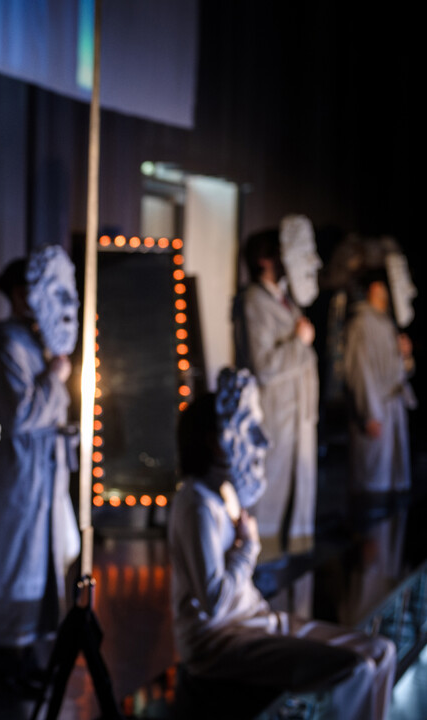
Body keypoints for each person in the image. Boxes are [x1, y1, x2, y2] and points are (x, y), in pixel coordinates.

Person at [168, 368, 395, 720]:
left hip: (256, 619)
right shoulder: (196, 504)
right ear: (216, 440)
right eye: (250, 430)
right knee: (354, 669)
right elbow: (214, 602)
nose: (264, 441)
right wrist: (247, 547)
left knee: (381, 651)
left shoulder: (223, 493)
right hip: (218, 641)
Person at [0, 245, 81, 696]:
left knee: (43, 559)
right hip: (23, 466)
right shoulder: (6, 344)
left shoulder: (36, 341)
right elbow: (17, 415)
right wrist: (54, 377)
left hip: (47, 466)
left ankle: (30, 658)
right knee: (16, 561)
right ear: (22, 294)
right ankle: (5, 668)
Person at [234, 219, 320, 555]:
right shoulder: (254, 301)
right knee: (271, 487)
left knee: (293, 488)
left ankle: (287, 553)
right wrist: (299, 343)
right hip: (275, 413)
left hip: (296, 415)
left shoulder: (284, 300)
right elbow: (264, 366)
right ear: (265, 259)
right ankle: (262, 557)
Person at [344, 267, 416, 495]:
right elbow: (359, 370)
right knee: (374, 478)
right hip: (377, 409)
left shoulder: (386, 322)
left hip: (392, 409)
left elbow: (396, 370)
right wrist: (370, 413)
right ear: (376, 289)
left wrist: (405, 356)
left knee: (393, 479)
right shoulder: (361, 323)